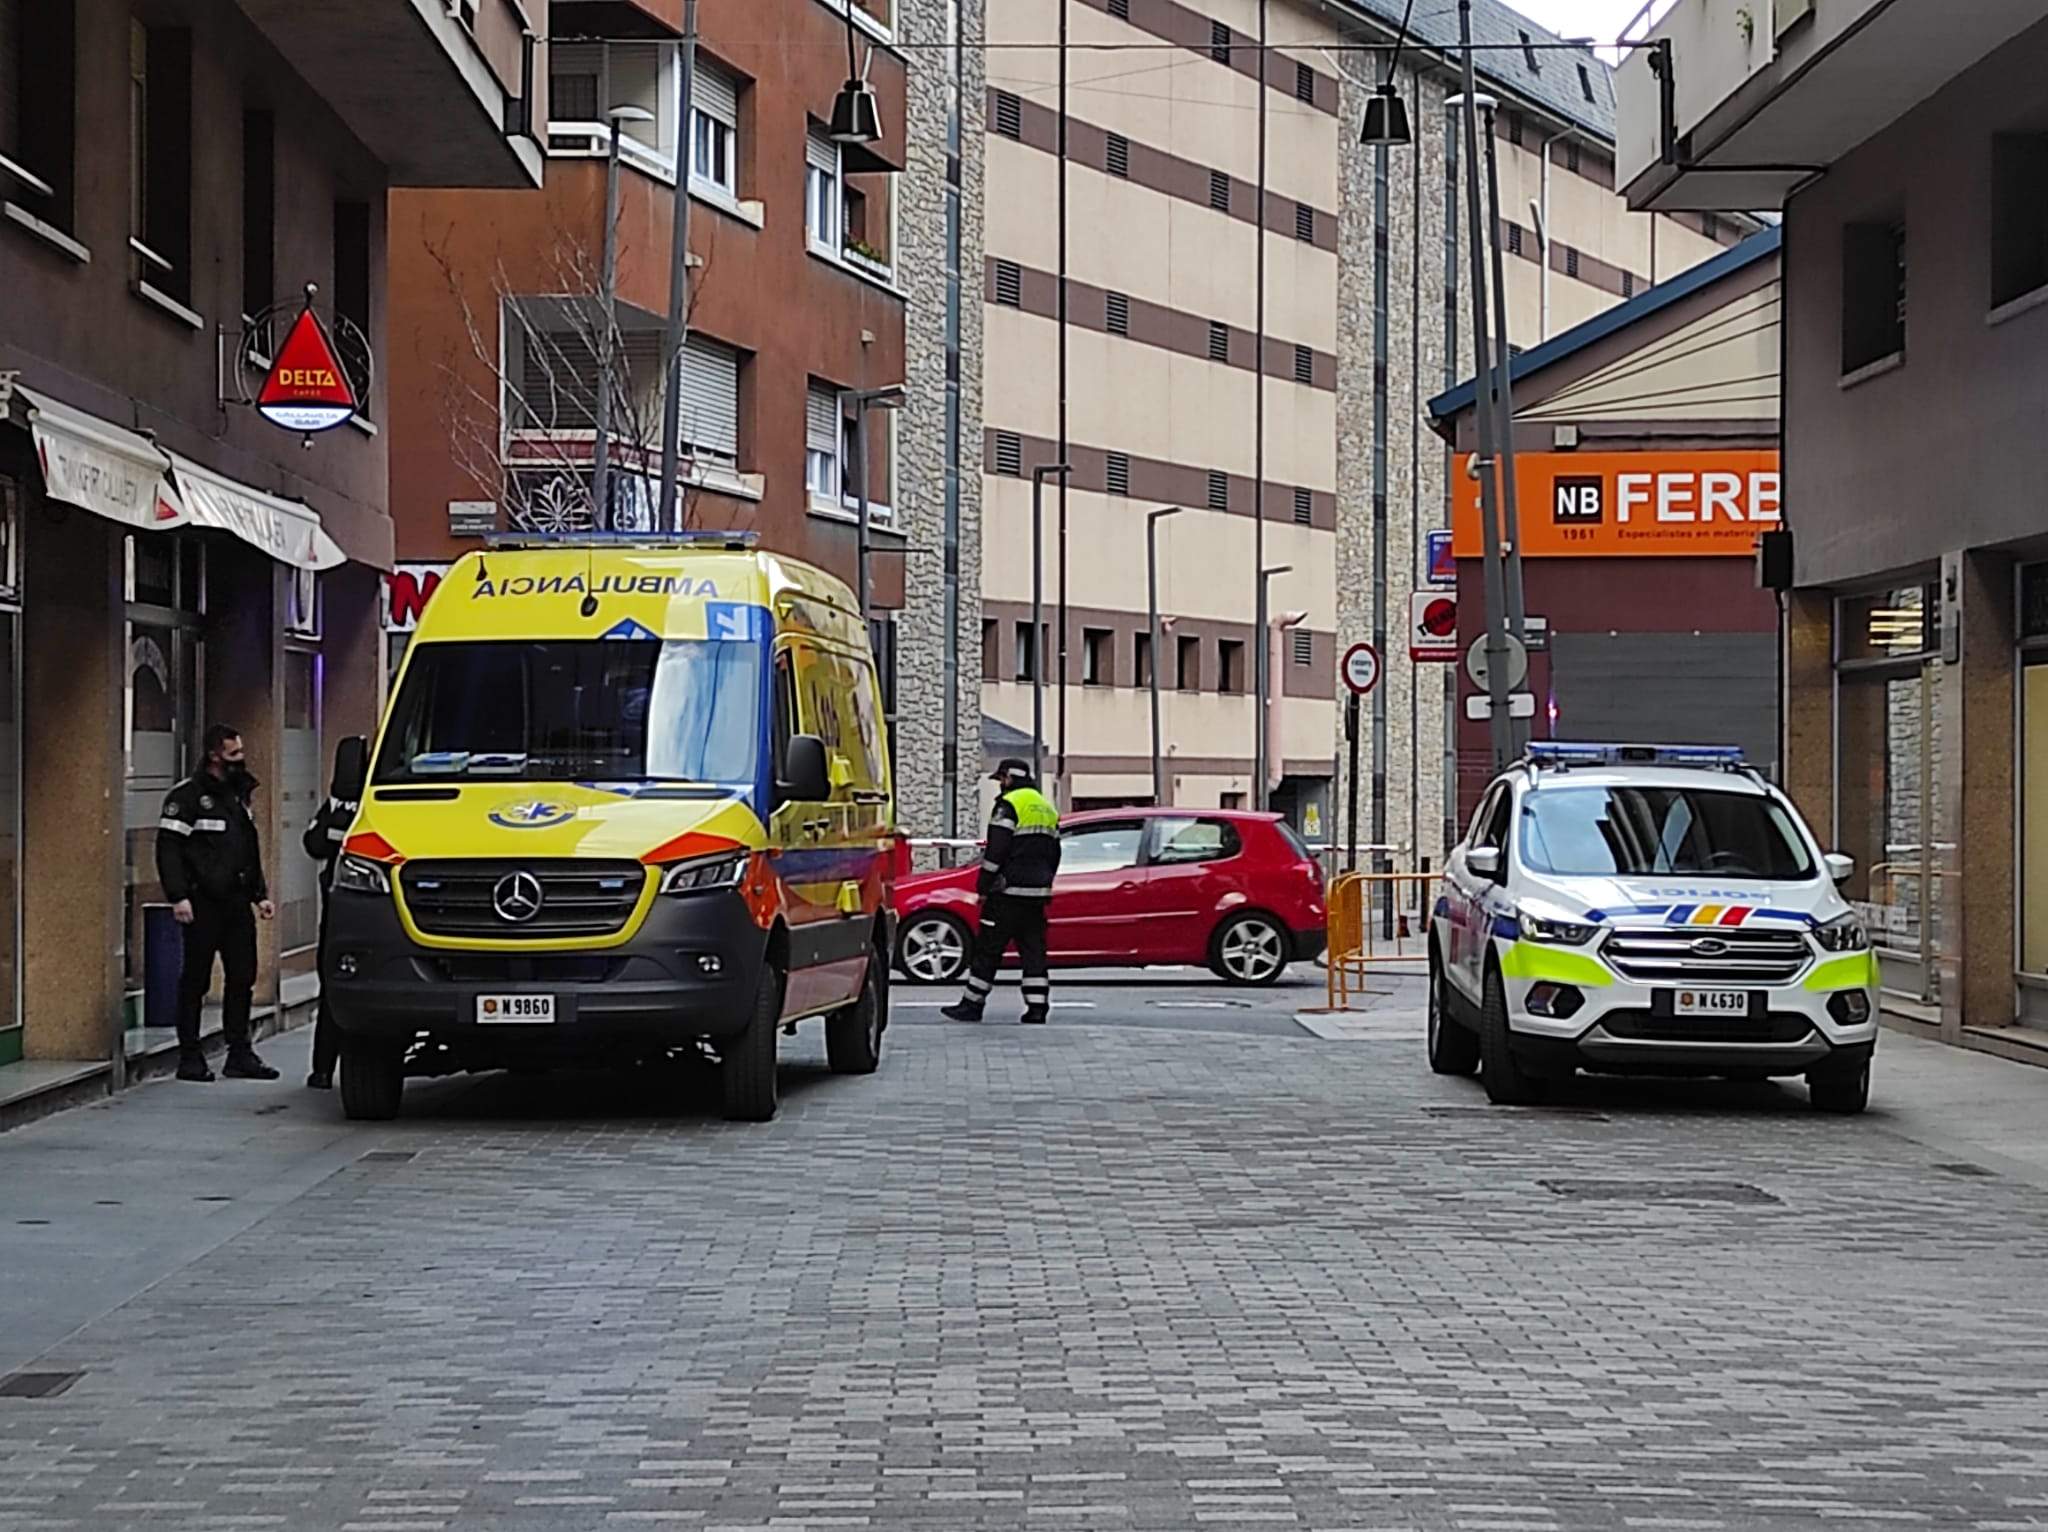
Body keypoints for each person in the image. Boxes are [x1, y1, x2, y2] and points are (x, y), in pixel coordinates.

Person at [156, 725, 278, 1082]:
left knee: (242, 977)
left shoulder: (238, 795)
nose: (241, 758)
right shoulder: (188, 797)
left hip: (237, 902)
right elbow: (168, 849)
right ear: (214, 755)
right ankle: (190, 1056)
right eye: (234, 753)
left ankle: (239, 1053)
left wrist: (260, 894)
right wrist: (178, 896)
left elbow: (246, 850)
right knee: (195, 980)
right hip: (201, 902)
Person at [942, 759, 1062, 1025]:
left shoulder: (1008, 806)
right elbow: (1055, 852)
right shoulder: (1045, 807)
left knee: (988, 949)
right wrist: (1045, 881)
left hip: (1007, 893)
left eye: (1001, 779)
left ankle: (972, 1005)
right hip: (1037, 893)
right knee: (1033, 951)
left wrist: (983, 886)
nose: (1000, 784)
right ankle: (1037, 1007)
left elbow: (995, 852)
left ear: (1008, 778)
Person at [299, 758, 360, 1090]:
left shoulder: (370, 802)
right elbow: (313, 845)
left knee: (334, 992)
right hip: (341, 910)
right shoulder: (342, 805)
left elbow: (315, 843)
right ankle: (322, 1069)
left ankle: (323, 1070)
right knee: (333, 990)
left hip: (349, 911)